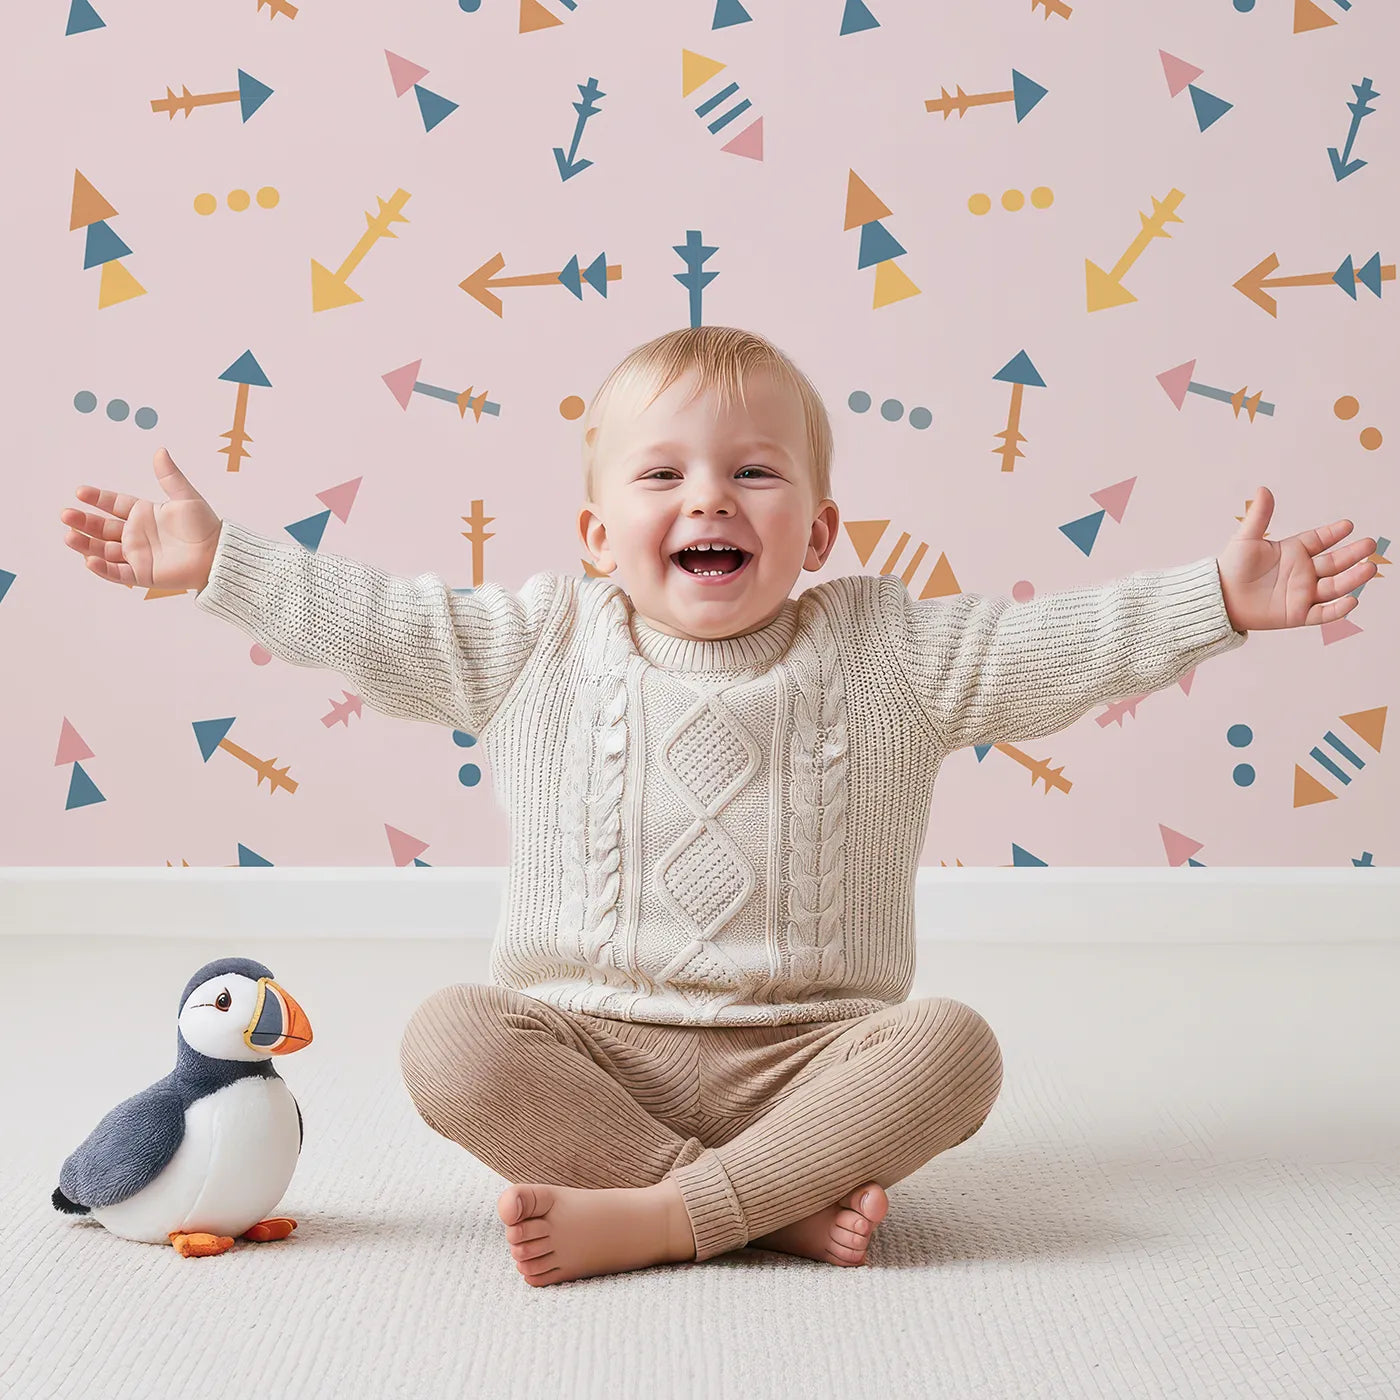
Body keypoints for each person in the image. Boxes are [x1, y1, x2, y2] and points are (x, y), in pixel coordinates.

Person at [59, 325, 1377, 1287]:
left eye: (755, 474)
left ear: (816, 534)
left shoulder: (888, 652)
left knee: (956, 1049)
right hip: (590, 1061)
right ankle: (758, 1211)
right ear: (591, 536)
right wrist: (222, 563)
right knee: (446, 1042)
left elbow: (1067, 646)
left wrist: (1219, 599)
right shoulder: (539, 642)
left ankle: (671, 1216)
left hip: (817, 1063)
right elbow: (376, 619)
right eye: (661, 476)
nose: (708, 497)